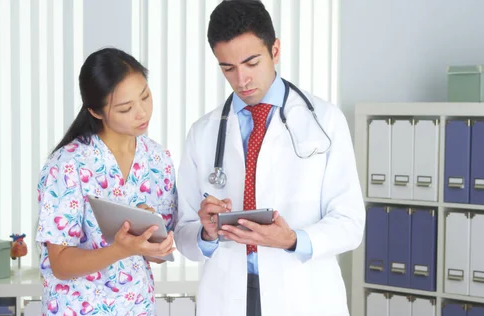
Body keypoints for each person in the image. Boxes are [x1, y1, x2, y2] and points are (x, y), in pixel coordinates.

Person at [174, 1, 365, 315]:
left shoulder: (326, 121)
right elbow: (184, 234)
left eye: (251, 62)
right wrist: (206, 233)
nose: (242, 80)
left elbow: (350, 223)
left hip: (303, 294)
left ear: (275, 50)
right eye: (228, 68)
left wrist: (292, 239)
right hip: (228, 295)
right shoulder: (203, 133)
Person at [35, 48, 177, 316]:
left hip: (137, 307)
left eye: (145, 96)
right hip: (76, 309)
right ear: (96, 112)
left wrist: (148, 237)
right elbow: (61, 264)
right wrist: (120, 249)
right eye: (125, 108)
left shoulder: (157, 159)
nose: (141, 112)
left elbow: (159, 253)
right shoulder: (68, 164)